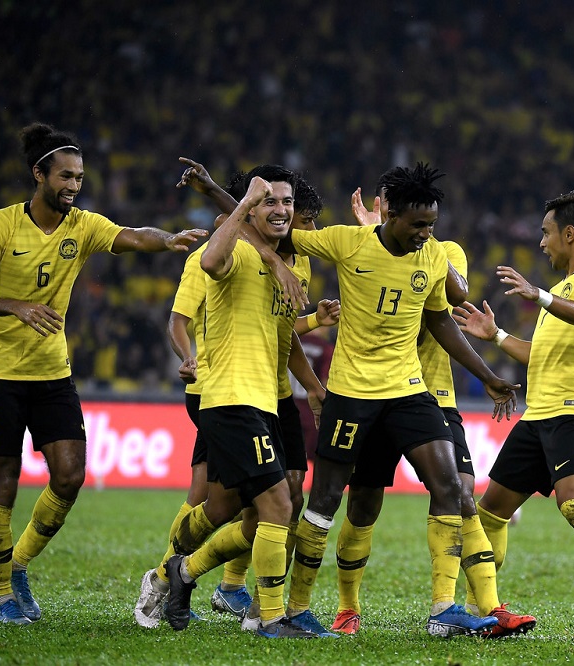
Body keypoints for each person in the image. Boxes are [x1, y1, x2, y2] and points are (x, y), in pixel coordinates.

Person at [0, 122, 207, 625]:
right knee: (2, 481)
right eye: (66, 176)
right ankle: (2, 596)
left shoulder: (81, 225)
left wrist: (169, 239)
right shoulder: (1, 226)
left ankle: (19, 564)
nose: (74, 185)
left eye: (80, 177)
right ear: (39, 174)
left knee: (71, 475)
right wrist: (18, 307)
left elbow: (132, 236)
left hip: (52, 373)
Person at [280, 163, 519, 638]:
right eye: (417, 224)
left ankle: (445, 610)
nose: (424, 234)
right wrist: (239, 204)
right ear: (390, 213)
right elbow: (276, 233)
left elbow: (441, 320)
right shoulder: (349, 243)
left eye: (431, 225)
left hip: (409, 392)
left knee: (452, 488)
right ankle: (298, 608)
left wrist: (489, 376)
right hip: (351, 396)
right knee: (327, 500)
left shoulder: (432, 255)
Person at [132, 163, 339, 631]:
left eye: (289, 204)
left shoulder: (293, 265)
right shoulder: (227, 251)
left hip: (269, 397)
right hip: (226, 395)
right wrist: (242, 203)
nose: (284, 212)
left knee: (229, 509)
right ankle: (264, 616)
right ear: (250, 208)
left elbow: (283, 334)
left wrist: (310, 382)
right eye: (272, 202)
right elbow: (202, 275)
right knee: (277, 506)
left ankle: (175, 574)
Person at [452, 190, 574, 639]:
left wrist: (536, 294)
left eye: (546, 233)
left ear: (569, 234)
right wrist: (495, 334)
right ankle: (483, 608)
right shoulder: (557, 292)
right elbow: (540, 354)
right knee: (492, 512)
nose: (541, 243)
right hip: (539, 417)